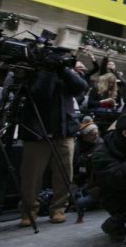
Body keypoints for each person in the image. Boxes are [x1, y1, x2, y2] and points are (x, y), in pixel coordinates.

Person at [18, 59, 88, 226]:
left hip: (64, 131)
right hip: (37, 132)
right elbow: (40, 93)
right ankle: (29, 211)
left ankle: (58, 208)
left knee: (64, 174)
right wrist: (48, 71)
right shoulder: (35, 73)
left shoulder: (66, 74)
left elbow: (81, 87)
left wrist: (63, 69)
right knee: (31, 176)